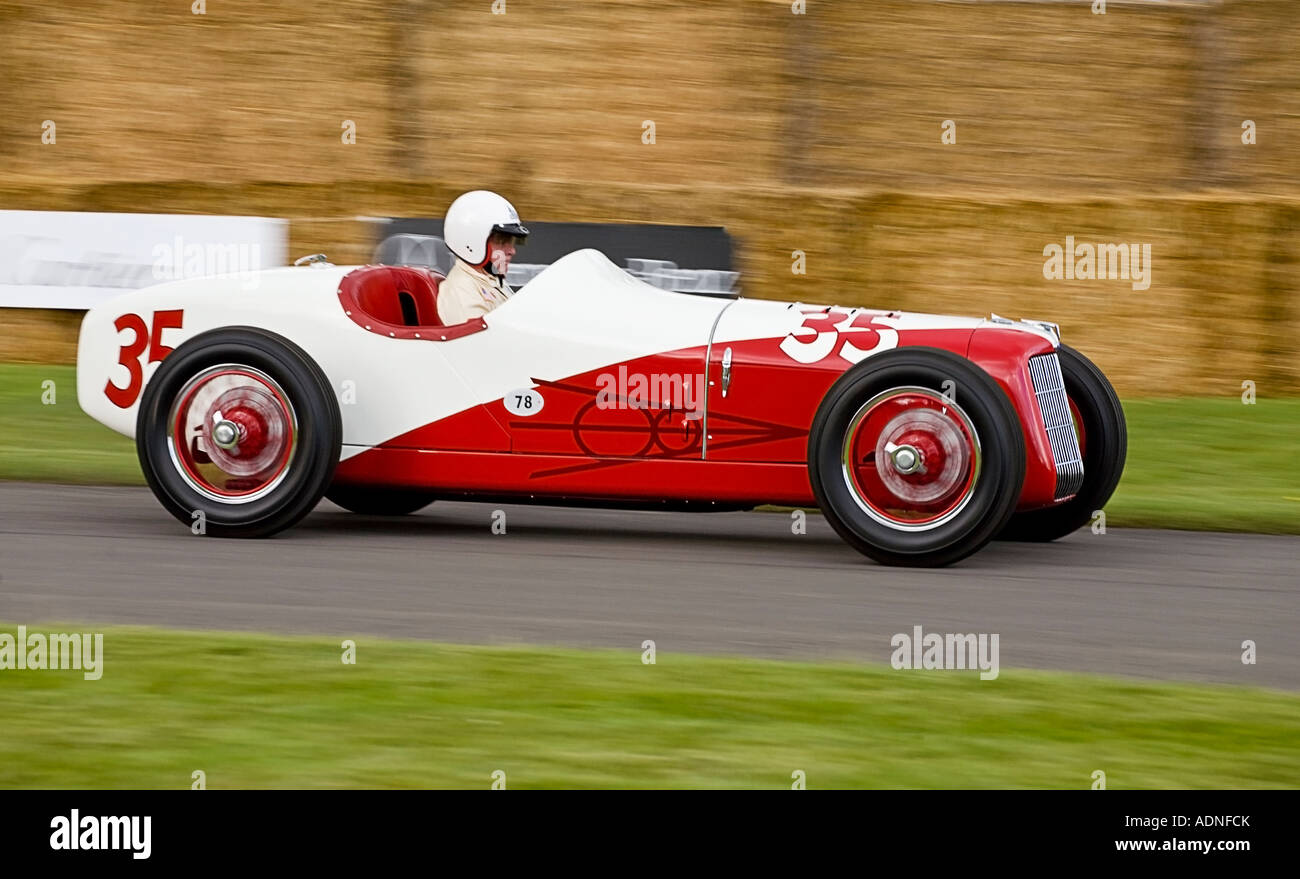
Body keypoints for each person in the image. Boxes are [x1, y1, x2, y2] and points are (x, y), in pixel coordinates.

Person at [436, 190, 530, 325]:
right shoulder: (462, 290)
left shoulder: (491, 280)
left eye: (511, 242)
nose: (512, 251)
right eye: (502, 242)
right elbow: (479, 344)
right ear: (473, 241)